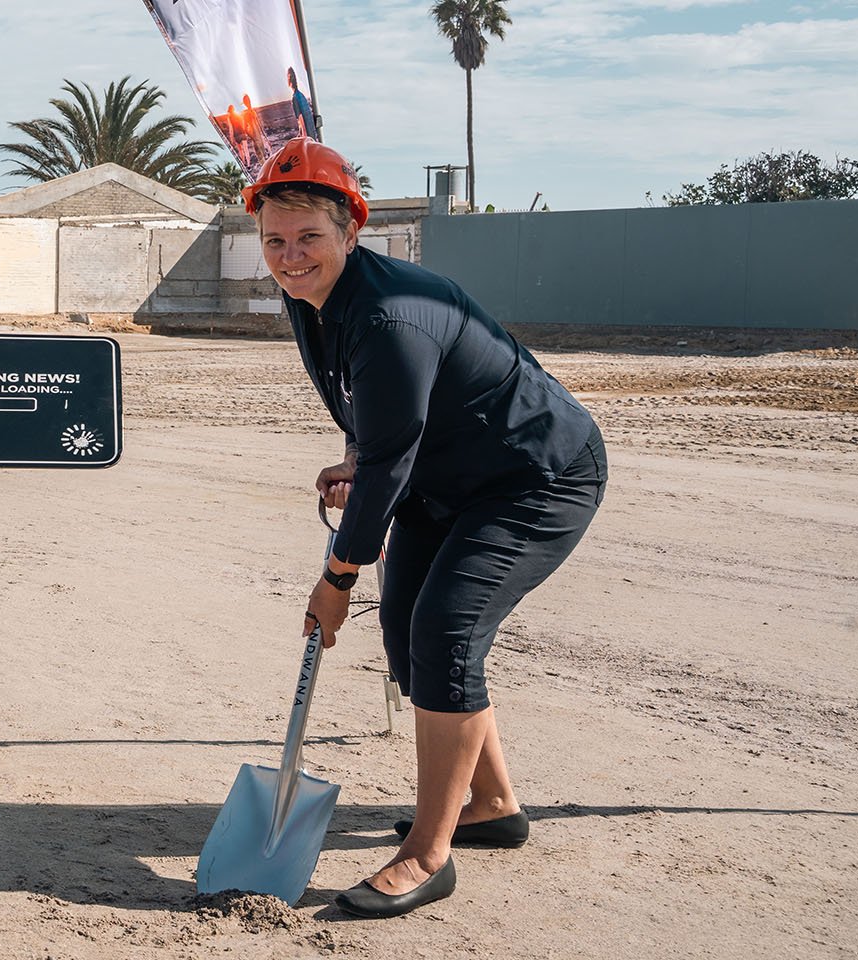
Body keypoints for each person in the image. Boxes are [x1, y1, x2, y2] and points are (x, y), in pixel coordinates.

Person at [243, 138, 606, 919]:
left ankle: (427, 856)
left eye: (309, 237)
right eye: (274, 240)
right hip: (444, 480)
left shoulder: (389, 316)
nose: (290, 255)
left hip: (534, 477)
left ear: (351, 231)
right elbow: (371, 424)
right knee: (408, 633)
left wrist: (336, 578)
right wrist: (357, 454)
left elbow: (389, 458)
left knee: (444, 632)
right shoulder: (308, 299)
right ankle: (493, 805)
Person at [287, 67, 320, 140]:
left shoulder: (295, 98)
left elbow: (301, 119)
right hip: (312, 132)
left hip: (308, 134)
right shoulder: (301, 95)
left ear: (289, 80)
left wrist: (304, 136)